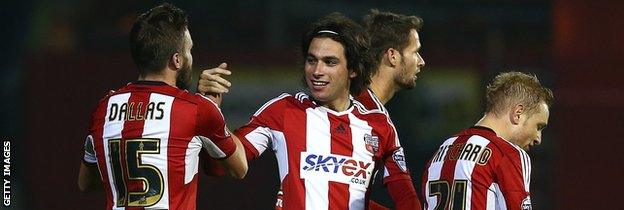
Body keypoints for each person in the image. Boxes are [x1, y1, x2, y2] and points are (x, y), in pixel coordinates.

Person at [198, 10, 426, 210]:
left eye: (330, 62)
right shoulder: (283, 110)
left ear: (354, 69)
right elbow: (223, 167)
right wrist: (211, 114)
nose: (317, 71)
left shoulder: (379, 125)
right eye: (311, 60)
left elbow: (404, 194)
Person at [77, 3, 247, 210]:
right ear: (176, 60)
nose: (190, 57)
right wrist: (212, 106)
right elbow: (240, 168)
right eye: (189, 50)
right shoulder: (197, 109)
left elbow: (86, 182)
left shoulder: (104, 108)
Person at [422, 72, 553, 210]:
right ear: (518, 113)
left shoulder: (440, 152)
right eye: (538, 126)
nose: (538, 138)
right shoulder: (508, 154)